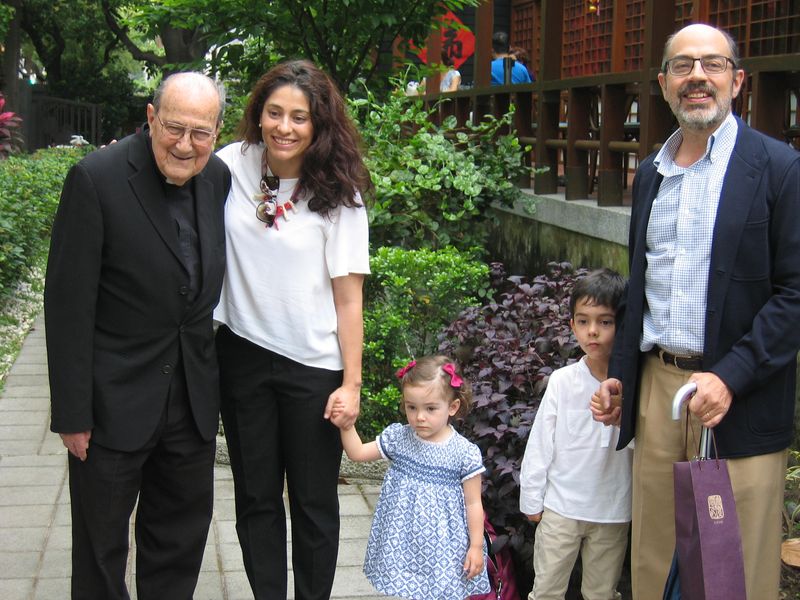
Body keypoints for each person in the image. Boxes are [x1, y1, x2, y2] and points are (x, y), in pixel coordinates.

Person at [591, 23, 800, 600]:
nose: (697, 77)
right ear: (663, 84)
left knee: (735, 572)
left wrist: (729, 377)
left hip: (741, 394)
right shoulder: (651, 174)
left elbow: (794, 294)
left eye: (713, 64)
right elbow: (645, 285)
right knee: (655, 559)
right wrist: (621, 377)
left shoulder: (778, 168)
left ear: (738, 80)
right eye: (682, 66)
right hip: (659, 389)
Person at [45, 72, 231, 599]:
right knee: (100, 552)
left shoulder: (217, 178)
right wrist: (73, 413)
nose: (185, 144)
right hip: (112, 402)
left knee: (179, 540)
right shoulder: (95, 178)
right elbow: (67, 305)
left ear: (216, 133)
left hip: (191, 401)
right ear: (151, 118)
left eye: (201, 132)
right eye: (174, 128)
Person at [213, 59, 371, 600]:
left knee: (313, 501)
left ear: (319, 123)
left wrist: (351, 384)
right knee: (255, 497)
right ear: (258, 114)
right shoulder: (231, 165)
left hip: (313, 368)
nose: (285, 127)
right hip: (241, 356)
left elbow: (349, 298)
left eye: (299, 117)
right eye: (274, 113)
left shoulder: (340, 193)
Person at [332, 355, 491, 599]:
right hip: (402, 543)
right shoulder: (399, 439)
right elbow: (357, 453)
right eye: (412, 407)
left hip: (443, 549)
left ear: (452, 407)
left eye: (430, 408)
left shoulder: (464, 454)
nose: (419, 417)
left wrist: (476, 546)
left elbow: (473, 503)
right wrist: (346, 425)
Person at [520, 269, 631, 600]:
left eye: (605, 322)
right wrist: (532, 497)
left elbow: (645, 444)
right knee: (547, 590)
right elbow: (541, 443)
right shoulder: (563, 381)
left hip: (613, 511)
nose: (592, 331)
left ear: (623, 325)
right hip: (561, 508)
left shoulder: (634, 385)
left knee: (601, 593)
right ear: (572, 325)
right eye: (583, 321)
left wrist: (622, 419)